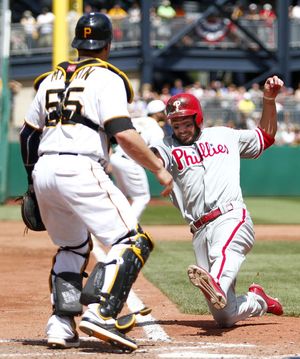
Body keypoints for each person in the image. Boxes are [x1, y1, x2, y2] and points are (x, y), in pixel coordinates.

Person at [19, 12, 173, 351]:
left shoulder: (51, 79)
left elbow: (28, 135)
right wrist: (159, 169)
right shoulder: (107, 78)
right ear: (108, 44)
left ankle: (60, 324)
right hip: (81, 165)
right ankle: (102, 313)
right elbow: (124, 134)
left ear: (77, 43)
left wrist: (33, 181)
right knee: (133, 240)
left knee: (72, 247)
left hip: (45, 166)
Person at [151, 75, 284, 328]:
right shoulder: (167, 146)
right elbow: (154, 158)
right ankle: (259, 301)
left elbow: (264, 138)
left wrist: (268, 100)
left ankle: (218, 284)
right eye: (176, 124)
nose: (181, 129)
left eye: (186, 123)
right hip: (199, 230)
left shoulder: (224, 135)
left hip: (231, 216)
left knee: (222, 255)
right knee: (224, 315)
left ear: (197, 119)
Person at [110, 100, 166, 221]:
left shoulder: (138, 120)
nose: (164, 114)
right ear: (158, 113)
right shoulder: (156, 129)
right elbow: (155, 151)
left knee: (121, 197)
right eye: (162, 112)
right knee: (142, 197)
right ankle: (128, 229)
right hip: (130, 161)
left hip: (116, 157)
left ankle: (112, 224)